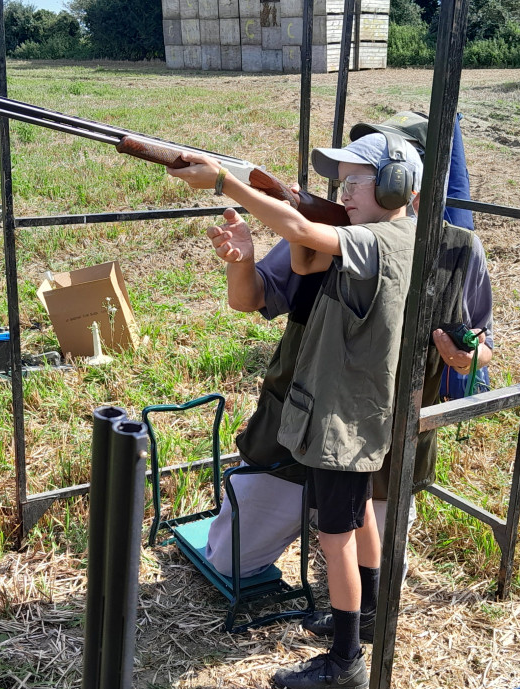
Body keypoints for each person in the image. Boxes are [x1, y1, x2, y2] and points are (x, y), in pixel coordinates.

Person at [169, 129, 424, 689]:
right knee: (356, 519)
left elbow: (306, 233)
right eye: (344, 182)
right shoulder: (396, 234)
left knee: (333, 539)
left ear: (396, 185)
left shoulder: (381, 240)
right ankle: (373, 613)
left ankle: (345, 658)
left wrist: (223, 181)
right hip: (354, 416)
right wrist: (264, 228)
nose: (346, 190)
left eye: (358, 180)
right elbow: (303, 257)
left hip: (340, 424)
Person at [203, 112, 493, 595]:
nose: (346, 191)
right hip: (296, 426)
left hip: (381, 444)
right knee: (229, 563)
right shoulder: (322, 231)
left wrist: (466, 358)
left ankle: (347, 630)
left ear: (407, 185)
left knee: (377, 586)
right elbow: (250, 298)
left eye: (364, 176)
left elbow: (482, 345)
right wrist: (243, 259)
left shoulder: (458, 249)